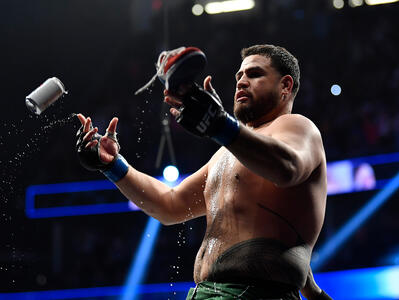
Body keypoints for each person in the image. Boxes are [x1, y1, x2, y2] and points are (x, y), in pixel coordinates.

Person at [76, 44, 331, 300]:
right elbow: (171, 205)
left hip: (257, 293)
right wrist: (114, 165)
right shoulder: (226, 153)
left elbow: (287, 168)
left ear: (285, 86)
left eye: (254, 74)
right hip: (205, 293)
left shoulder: (297, 126)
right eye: (239, 77)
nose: (241, 82)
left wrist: (219, 124)